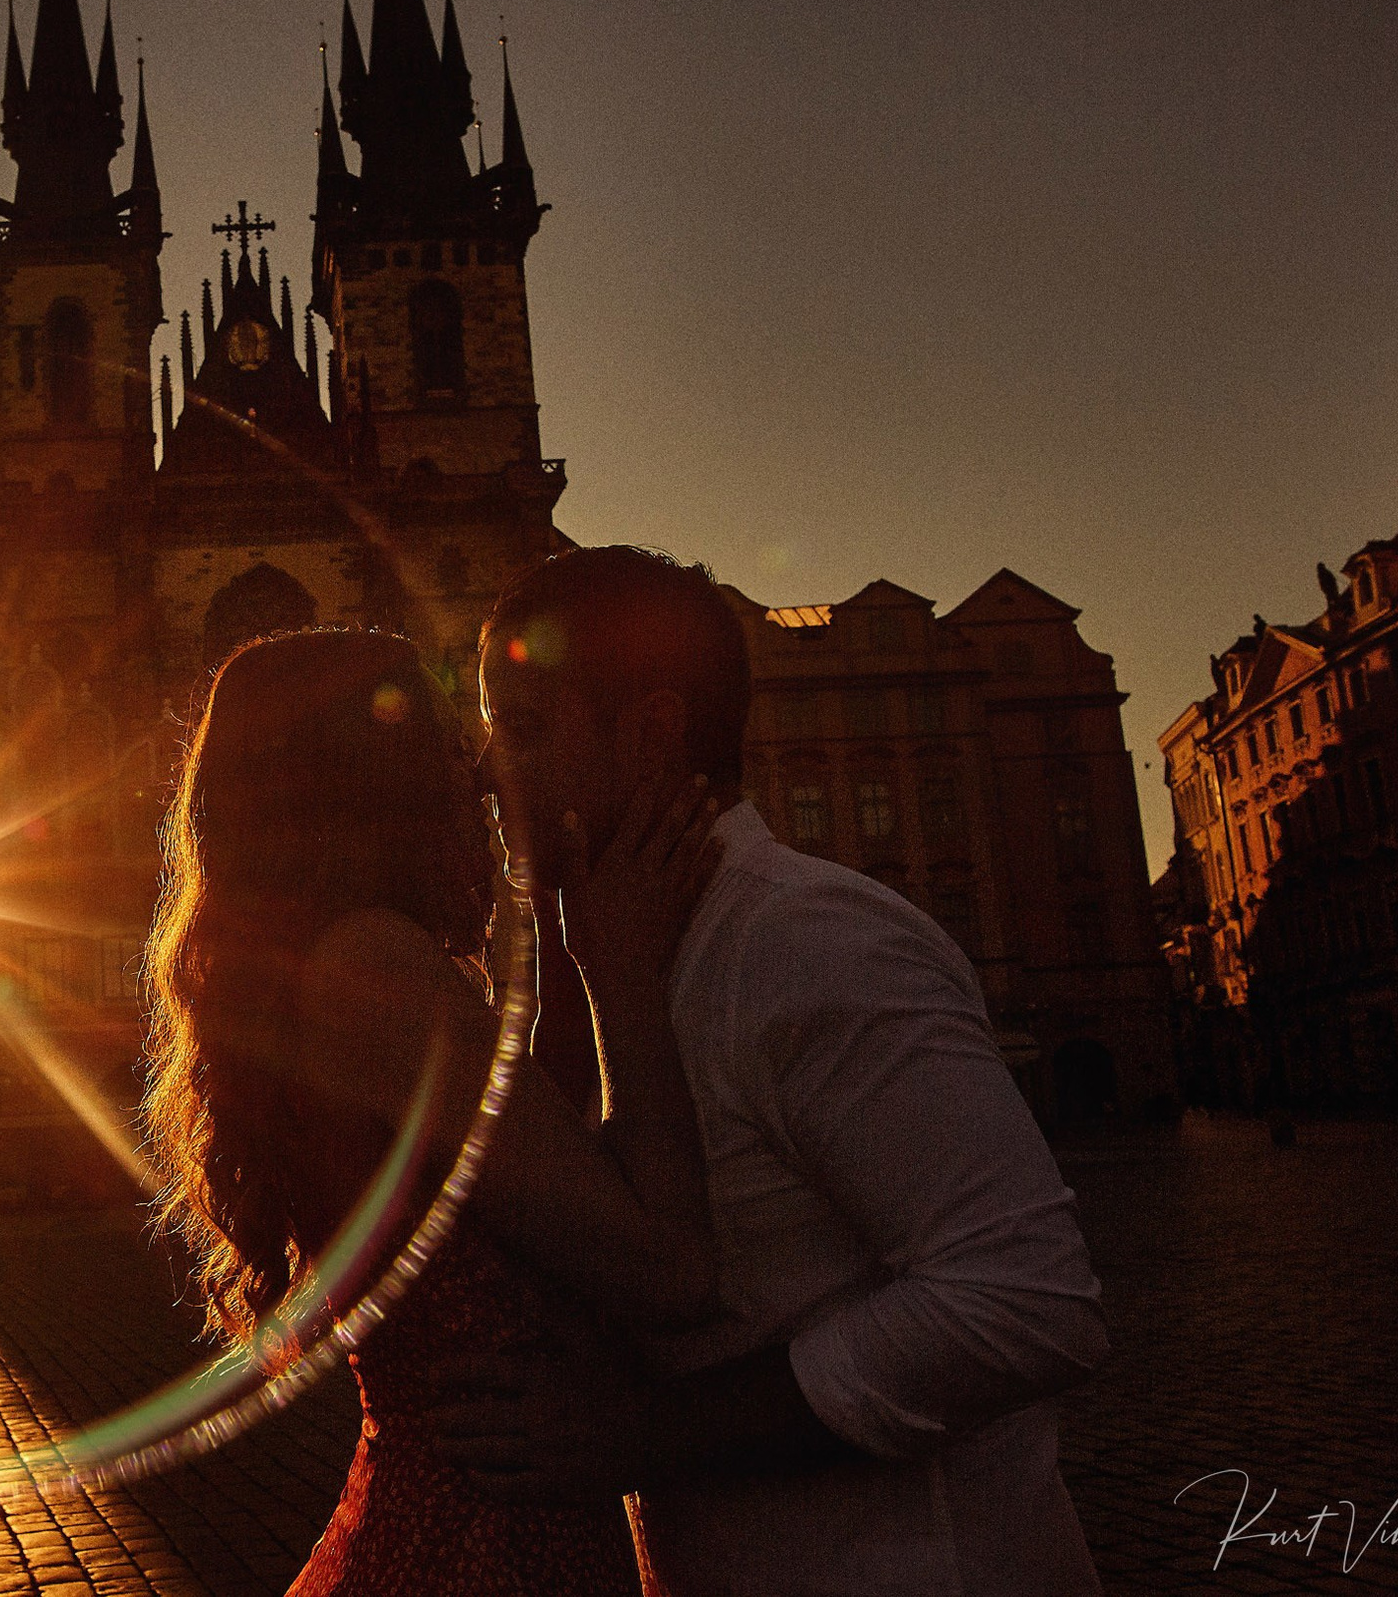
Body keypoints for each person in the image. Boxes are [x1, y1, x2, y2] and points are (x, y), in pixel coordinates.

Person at [437, 545, 1112, 1597]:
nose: (483, 769)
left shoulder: (806, 938)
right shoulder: (612, 947)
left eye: (519, 725)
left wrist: (646, 1434)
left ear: (653, 735)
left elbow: (1023, 1299)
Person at [141, 627, 726, 1597]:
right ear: (382, 772)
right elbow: (669, 1269)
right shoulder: (374, 966)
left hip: (443, 1508)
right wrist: (622, 975)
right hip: (483, 1539)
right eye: (453, 744)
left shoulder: (316, 963)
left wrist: (546, 918)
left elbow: (526, 1149)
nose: (484, 774)